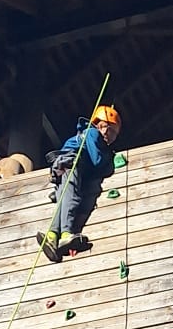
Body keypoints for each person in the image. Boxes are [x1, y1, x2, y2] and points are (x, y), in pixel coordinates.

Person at [39, 101, 122, 262]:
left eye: (113, 134)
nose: (109, 136)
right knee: (72, 197)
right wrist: (110, 157)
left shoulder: (87, 135)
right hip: (72, 163)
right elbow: (97, 161)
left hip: (62, 166)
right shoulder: (92, 133)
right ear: (101, 125)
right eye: (109, 129)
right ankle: (66, 234)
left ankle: (51, 235)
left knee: (63, 200)